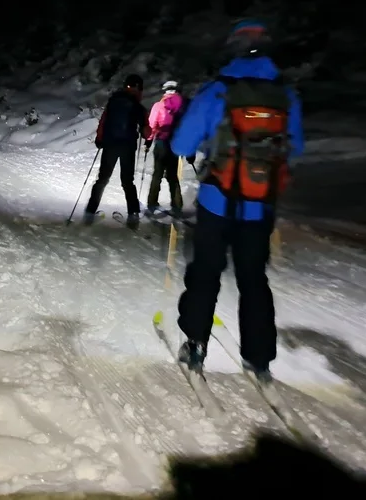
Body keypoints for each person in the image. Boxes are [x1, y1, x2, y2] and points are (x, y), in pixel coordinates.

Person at [169, 19, 305, 383]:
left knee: (206, 271)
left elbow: (181, 144)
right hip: (260, 206)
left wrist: (213, 147)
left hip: (217, 199)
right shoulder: (285, 95)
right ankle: (259, 357)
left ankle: (195, 343)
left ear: (233, 48)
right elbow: (296, 147)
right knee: (253, 278)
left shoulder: (217, 91)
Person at [84, 73, 151, 228]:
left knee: (102, 179)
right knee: (127, 181)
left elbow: (103, 120)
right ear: (139, 89)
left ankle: (89, 212)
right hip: (127, 147)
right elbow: (147, 132)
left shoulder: (113, 101)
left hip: (110, 145)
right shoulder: (138, 107)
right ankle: (133, 215)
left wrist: (99, 139)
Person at [144, 80, 185, 217]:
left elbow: (151, 125)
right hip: (174, 143)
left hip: (161, 142)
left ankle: (152, 204)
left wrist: (148, 141)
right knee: (172, 175)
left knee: (157, 174)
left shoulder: (159, 105)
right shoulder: (182, 106)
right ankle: (177, 206)